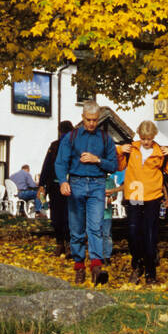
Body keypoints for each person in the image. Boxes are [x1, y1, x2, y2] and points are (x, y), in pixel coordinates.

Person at [55, 102, 119, 285]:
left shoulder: (106, 139)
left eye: (95, 120)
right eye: (88, 120)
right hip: (76, 184)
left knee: (96, 227)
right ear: (83, 118)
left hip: (98, 185)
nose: (92, 123)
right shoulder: (71, 137)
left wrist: (97, 159)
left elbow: (114, 165)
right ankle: (79, 267)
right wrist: (63, 181)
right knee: (76, 229)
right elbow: (60, 162)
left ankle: (96, 267)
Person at [120, 121, 168, 283]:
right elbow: (119, 166)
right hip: (134, 194)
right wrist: (119, 151)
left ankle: (150, 272)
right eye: (143, 138)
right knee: (133, 233)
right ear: (139, 135)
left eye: (149, 138)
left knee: (149, 235)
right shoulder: (131, 149)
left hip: (152, 197)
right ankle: (137, 264)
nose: (146, 141)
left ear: (154, 136)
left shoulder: (160, 152)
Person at [41, 121, 73, 256]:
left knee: (58, 216)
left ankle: (61, 244)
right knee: (68, 216)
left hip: (57, 186)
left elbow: (46, 166)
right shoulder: (57, 146)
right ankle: (66, 245)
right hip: (66, 185)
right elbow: (47, 165)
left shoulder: (55, 145)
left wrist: (42, 185)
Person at [100, 145, 128, 281]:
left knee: (107, 234)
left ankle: (107, 255)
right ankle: (98, 255)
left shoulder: (110, 181)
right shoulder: (96, 180)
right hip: (96, 212)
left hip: (106, 213)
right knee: (96, 234)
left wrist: (111, 199)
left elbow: (115, 195)